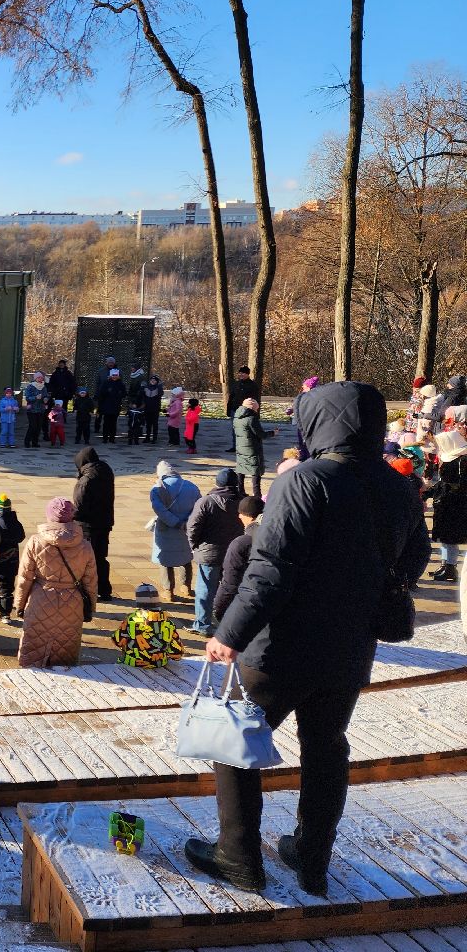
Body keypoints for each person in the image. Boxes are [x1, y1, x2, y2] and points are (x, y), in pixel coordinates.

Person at [187, 381, 430, 898]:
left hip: (281, 649)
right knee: (326, 749)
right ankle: (311, 857)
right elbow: (411, 565)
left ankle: (238, 856)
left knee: (235, 745)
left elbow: (269, 569)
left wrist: (227, 634)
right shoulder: (398, 488)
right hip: (349, 651)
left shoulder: (306, 480)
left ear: (318, 422)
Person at [14, 497, 96, 668]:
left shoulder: (35, 542)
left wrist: (19, 605)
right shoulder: (85, 545)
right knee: (65, 655)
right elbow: (91, 582)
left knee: (33, 652)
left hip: (40, 600)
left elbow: (25, 578)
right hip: (72, 605)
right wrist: (89, 609)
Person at [186, 468, 244, 636]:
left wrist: (195, 546)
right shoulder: (243, 502)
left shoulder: (206, 502)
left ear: (217, 483)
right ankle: (228, 624)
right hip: (235, 554)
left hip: (209, 553)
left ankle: (203, 624)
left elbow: (193, 527)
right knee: (230, 589)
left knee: (205, 590)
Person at [150, 459, 201, 601]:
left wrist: (176, 523)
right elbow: (199, 509)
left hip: (166, 529)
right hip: (187, 529)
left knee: (165, 559)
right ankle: (186, 586)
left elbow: (159, 510)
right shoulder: (191, 486)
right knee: (185, 557)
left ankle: (168, 591)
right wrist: (187, 523)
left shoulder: (158, 488)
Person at [72, 447, 116, 602]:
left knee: (87, 559)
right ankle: (105, 590)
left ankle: (87, 590)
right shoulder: (106, 471)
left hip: (88, 526)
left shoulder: (86, 480)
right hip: (105, 523)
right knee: (101, 557)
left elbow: (79, 506)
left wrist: (71, 516)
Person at [214, 495, 265, 622]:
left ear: (248, 516)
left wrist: (218, 609)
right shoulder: (274, 535)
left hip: (247, 604)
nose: (239, 516)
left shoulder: (241, 543)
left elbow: (230, 583)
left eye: (241, 513)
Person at [113, 583, 183, 668]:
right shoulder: (168, 623)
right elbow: (177, 653)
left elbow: (117, 641)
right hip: (159, 663)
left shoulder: (131, 620)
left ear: (138, 603)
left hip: (133, 663)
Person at [427, 438, 467, 582]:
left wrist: (438, 491)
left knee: (450, 537)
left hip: (454, 504)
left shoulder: (461, 462)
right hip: (448, 503)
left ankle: (450, 567)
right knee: (446, 538)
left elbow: (453, 483)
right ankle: (445, 565)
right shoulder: (457, 460)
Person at [0, 494, 25, 622]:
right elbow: (21, 537)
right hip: (11, 561)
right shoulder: (15, 523)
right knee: (7, 588)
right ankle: (5, 615)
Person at [233, 397, 275, 499]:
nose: (257, 410)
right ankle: (257, 495)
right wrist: (273, 433)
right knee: (255, 471)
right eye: (256, 408)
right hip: (252, 448)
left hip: (241, 447)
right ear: (252, 408)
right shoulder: (251, 419)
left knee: (241, 468)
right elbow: (260, 434)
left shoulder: (237, 417)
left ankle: (240, 491)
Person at [97, 369, 127, 444]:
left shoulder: (121, 384)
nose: (114, 377)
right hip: (107, 405)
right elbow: (101, 394)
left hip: (116, 405)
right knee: (106, 422)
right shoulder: (106, 383)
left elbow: (124, 393)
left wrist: (120, 395)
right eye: (113, 375)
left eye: (116, 375)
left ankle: (112, 438)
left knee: (113, 423)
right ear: (110, 376)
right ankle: (105, 438)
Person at [23, 372, 47, 448]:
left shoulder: (43, 387)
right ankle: (27, 441)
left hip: (40, 409)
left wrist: (46, 399)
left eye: (41, 378)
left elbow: (46, 395)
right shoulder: (31, 386)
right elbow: (27, 397)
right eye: (39, 378)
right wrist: (35, 397)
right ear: (35, 378)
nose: (40, 379)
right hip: (32, 409)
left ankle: (35, 442)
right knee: (33, 426)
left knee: (38, 426)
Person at [142, 375, 165, 443]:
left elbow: (160, 394)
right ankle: (147, 437)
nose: (152, 381)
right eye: (151, 380)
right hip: (147, 408)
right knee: (148, 424)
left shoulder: (158, 388)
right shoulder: (146, 387)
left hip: (155, 408)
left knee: (155, 424)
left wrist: (159, 387)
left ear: (157, 381)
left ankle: (154, 438)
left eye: (154, 380)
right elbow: (143, 396)